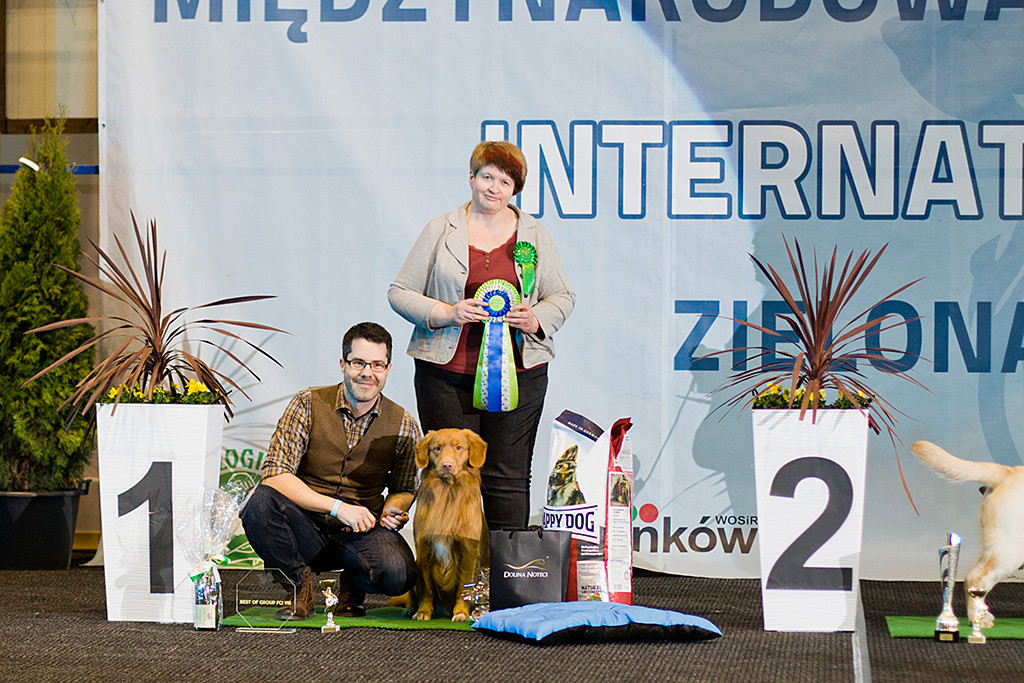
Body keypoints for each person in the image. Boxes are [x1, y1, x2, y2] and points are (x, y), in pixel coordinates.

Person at [388, 141, 575, 530]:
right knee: (450, 476)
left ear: (515, 189)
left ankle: (507, 579)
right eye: (487, 176)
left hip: (521, 376)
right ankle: (454, 581)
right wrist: (446, 312)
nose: (494, 187)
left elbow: (563, 296)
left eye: (505, 181)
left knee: (507, 477)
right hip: (445, 375)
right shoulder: (441, 229)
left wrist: (536, 318)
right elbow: (400, 292)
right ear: (471, 178)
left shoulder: (535, 234)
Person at [240, 322, 422, 620]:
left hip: (360, 533)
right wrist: (338, 508)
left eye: (377, 364)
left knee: (399, 573)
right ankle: (299, 586)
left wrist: (393, 510)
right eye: (359, 362)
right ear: (343, 364)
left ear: (388, 369)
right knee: (258, 501)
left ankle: (354, 584)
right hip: (303, 527)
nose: (368, 372)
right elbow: (275, 474)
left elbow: (404, 489)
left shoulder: (404, 423)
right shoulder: (307, 403)